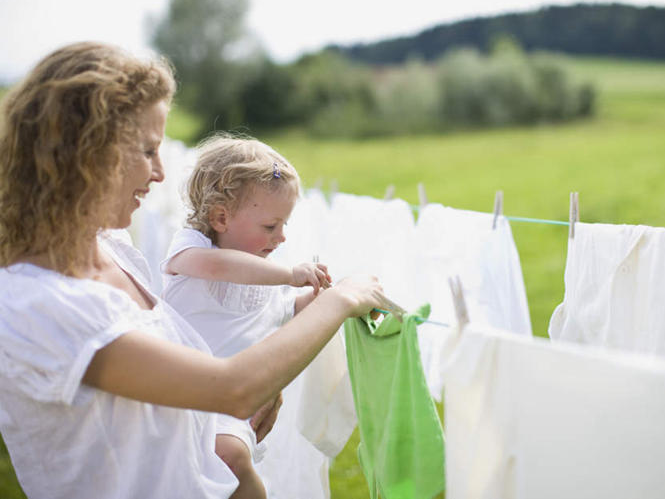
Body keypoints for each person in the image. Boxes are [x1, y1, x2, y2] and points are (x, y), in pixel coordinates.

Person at [0, 41, 387, 499]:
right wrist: (342, 299)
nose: (161, 173)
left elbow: (179, 387)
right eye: (147, 150)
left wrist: (247, 400)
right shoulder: (36, 304)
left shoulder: (111, 248)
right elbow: (233, 388)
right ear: (87, 154)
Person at [160, 133, 332, 497]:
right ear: (220, 217)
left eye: (284, 225)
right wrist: (290, 275)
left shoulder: (267, 276)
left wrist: (323, 299)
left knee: (231, 457)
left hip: (230, 405)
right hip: (176, 392)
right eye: (270, 226)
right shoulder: (192, 249)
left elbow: (289, 312)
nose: (281, 237)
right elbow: (217, 267)